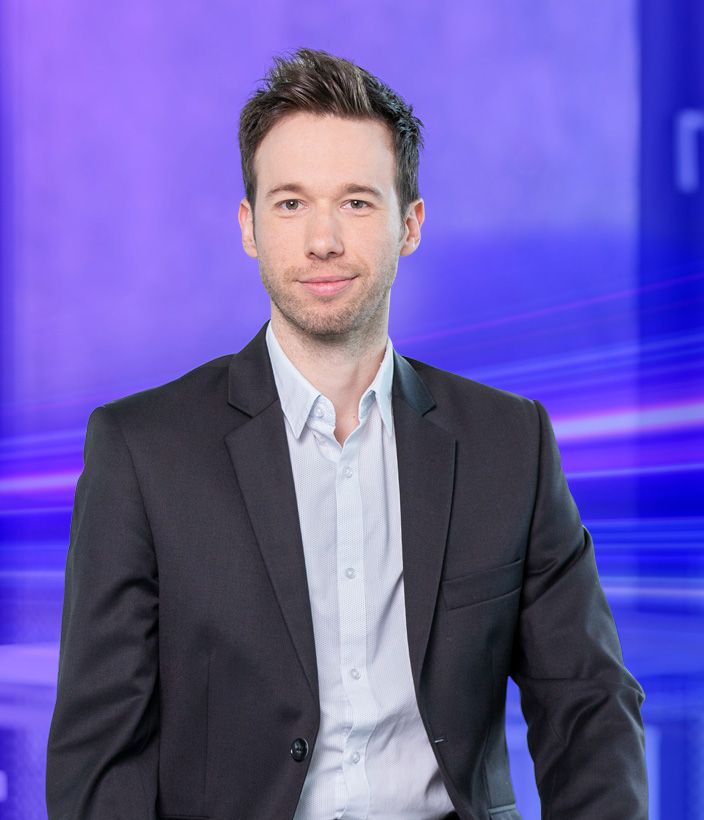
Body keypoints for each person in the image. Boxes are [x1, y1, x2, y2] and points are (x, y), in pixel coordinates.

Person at [46, 47, 648, 820]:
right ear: (249, 227)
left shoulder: (509, 444)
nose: (322, 240)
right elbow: (100, 758)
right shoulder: (142, 452)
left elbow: (589, 705)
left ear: (410, 224)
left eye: (357, 202)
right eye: (290, 203)